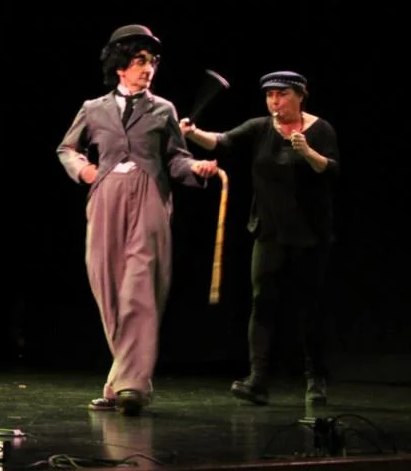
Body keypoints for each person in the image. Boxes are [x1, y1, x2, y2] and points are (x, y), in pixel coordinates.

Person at [57, 25, 219, 416]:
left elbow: (176, 159)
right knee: (109, 288)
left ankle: (131, 385)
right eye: (140, 61)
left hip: (149, 196)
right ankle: (121, 382)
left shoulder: (163, 109)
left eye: (152, 62)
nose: (148, 69)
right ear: (120, 65)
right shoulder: (93, 108)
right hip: (106, 197)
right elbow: (66, 148)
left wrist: (195, 167)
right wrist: (84, 170)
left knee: (140, 289)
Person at [180, 71, 339, 406]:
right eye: (270, 96)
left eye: (282, 95)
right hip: (269, 232)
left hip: (309, 235)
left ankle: (316, 380)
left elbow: (331, 169)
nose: (274, 102)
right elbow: (221, 141)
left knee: (309, 308)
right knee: (262, 303)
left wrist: (307, 152)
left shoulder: (320, 129)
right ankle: (258, 380)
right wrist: (193, 133)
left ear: (300, 96)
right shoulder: (260, 127)